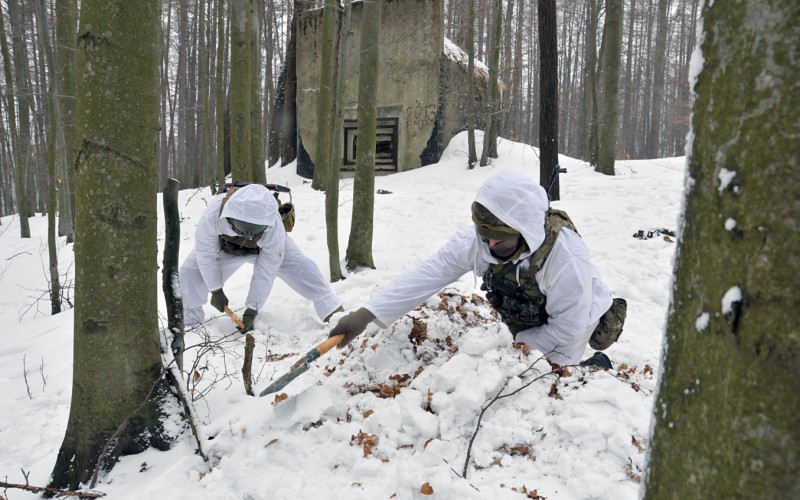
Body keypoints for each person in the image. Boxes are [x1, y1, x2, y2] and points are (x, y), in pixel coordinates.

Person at [328, 170, 626, 368]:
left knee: (553, 378)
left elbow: (566, 328)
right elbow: (431, 272)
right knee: (514, 367)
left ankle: (595, 367)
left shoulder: (566, 260)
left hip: (576, 319)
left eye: (499, 236)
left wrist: (512, 348)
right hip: (527, 308)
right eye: (484, 232)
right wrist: (367, 314)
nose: (490, 241)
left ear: (524, 231)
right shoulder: (482, 240)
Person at [180, 183, 342, 332]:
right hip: (224, 248)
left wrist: (253, 308)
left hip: (264, 248)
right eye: (244, 230)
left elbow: (266, 270)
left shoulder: (274, 228)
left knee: (304, 269)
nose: (249, 237)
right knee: (189, 273)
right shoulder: (212, 216)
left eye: (254, 232)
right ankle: (191, 324)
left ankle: (333, 311)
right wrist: (216, 289)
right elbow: (206, 256)